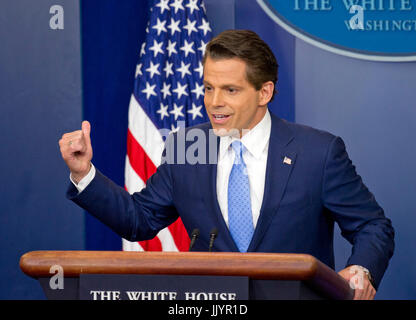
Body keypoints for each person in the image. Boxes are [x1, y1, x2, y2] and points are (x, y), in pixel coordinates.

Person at [59, 30, 394, 300]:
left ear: (264, 92)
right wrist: (83, 173)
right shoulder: (186, 147)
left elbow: (372, 226)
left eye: (230, 90)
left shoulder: (318, 152)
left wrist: (361, 270)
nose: (214, 102)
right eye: (208, 88)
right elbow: (139, 221)